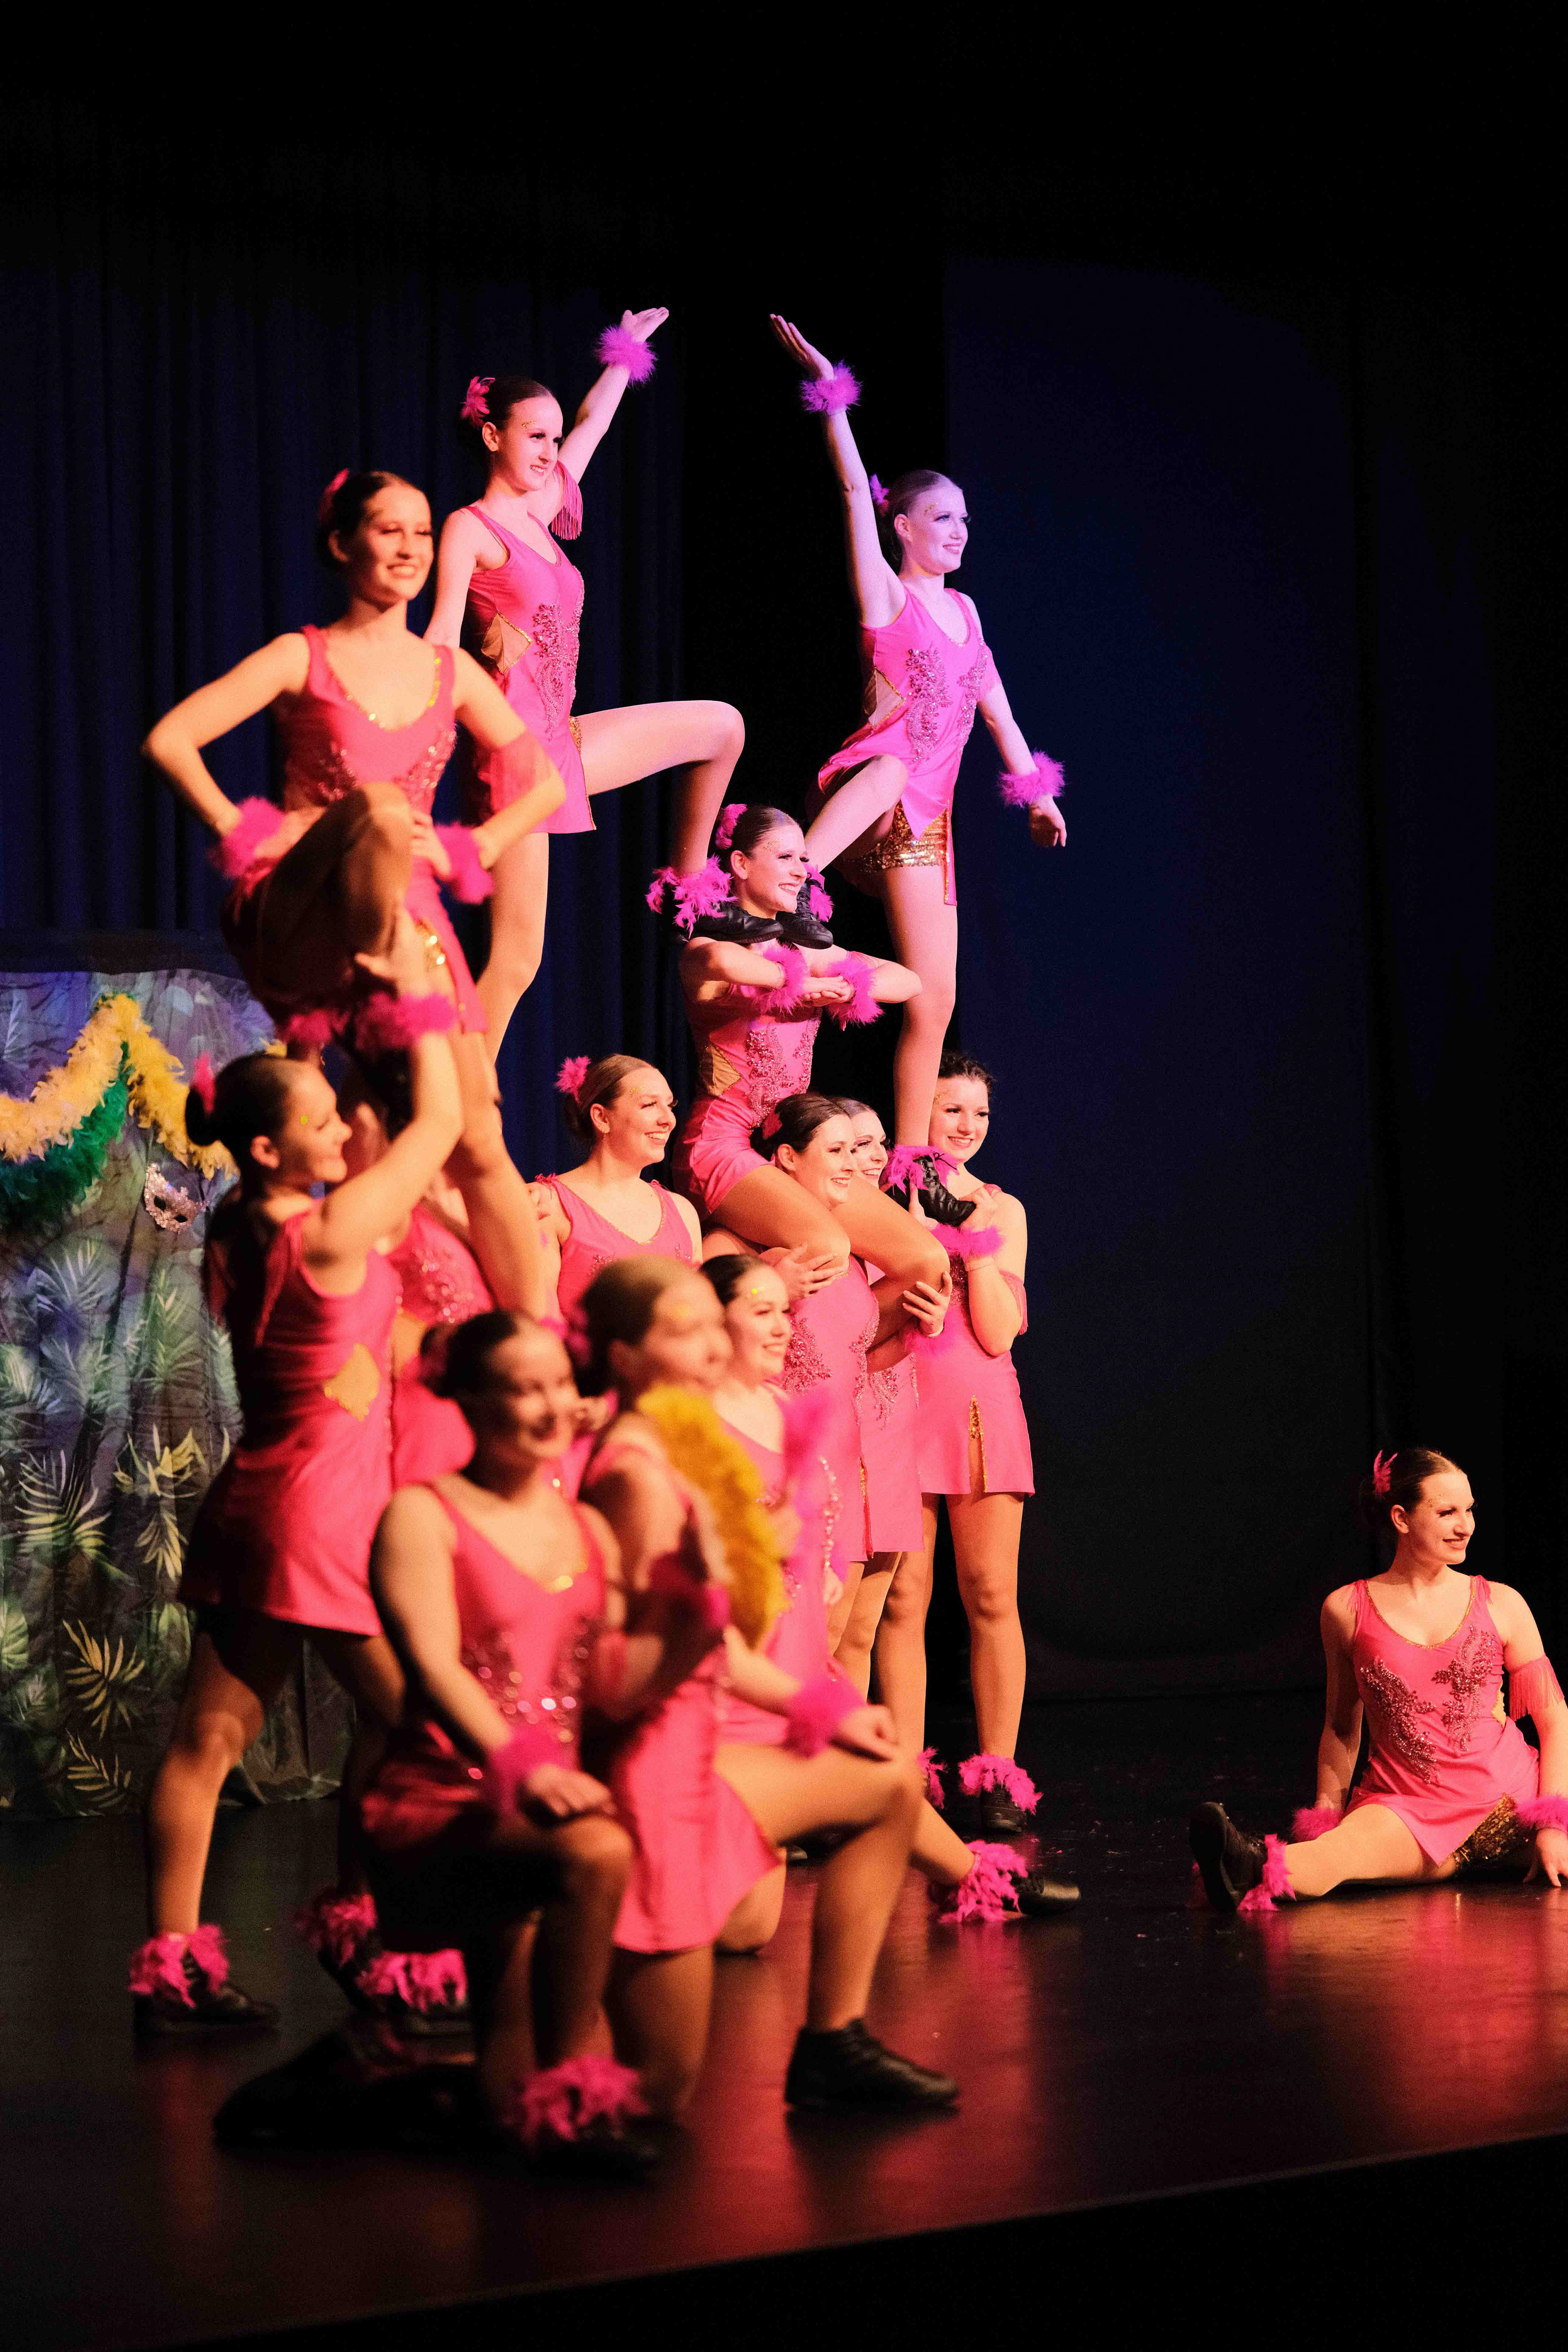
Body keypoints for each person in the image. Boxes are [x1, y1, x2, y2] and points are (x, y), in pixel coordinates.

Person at [129, 915, 466, 2035]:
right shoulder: (323, 1235)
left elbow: (356, 1356)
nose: (342, 1131)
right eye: (321, 1122)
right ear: (271, 1151)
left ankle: (173, 1967)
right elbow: (443, 1122)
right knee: (423, 1726)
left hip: (266, 1503)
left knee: (210, 1739)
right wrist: (423, 986)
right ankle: (381, 1935)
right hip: (319, 1519)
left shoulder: (245, 1224)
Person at [142, 468, 557, 1316]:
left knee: (480, 1137)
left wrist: (479, 843)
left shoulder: (450, 671)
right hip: (303, 906)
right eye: (388, 530)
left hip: (411, 914)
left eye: (423, 533)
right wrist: (244, 827)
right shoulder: (304, 655)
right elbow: (171, 739)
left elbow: (544, 781)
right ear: (342, 544)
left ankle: (541, 1335)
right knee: (378, 811)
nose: (411, 549)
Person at [578, 1256, 961, 2115]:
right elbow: (622, 1683)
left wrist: (821, 1707)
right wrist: (716, 1593)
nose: (715, 1346)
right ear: (626, 1356)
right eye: (687, 1329)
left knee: (887, 1781)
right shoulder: (636, 1475)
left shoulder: (690, 1449)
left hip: (704, 1759)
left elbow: (719, 1643)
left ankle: (834, 2041)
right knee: (660, 2090)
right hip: (651, 1776)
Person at [361, 1310, 719, 2171]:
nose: (554, 1405)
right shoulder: (421, 1514)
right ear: (468, 1398)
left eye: (561, 1383)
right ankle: (572, 2095)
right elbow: (432, 1665)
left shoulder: (586, 1526)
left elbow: (613, 1688)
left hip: (539, 1805)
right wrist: (523, 1767)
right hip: (442, 1802)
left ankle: (373, 2090)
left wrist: (697, 1614)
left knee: (498, 2090)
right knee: (598, 1852)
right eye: (526, 1389)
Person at [703, 1254, 1078, 1932]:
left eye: (785, 1312)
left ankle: (973, 1877)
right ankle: (970, 1873)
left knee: (883, 1788)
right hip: (729, 1708)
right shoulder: (686, 1431)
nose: (783, 1326)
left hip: (782, 1679)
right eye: (763, 1312)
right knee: (744, 1929)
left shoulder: (785, 1413)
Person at [770, 315, 1068, 1156]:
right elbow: (848, 494)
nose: (959, 531)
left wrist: (1035, 798)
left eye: (965, 520)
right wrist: (833, 401)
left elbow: (998, 711)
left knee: (936, 999)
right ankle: (791, 890)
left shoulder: (967, 611)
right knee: (895, 768)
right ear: (901, 525)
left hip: (925, 827)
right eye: (942, 517)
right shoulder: (887, 598)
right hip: (865, 792)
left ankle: (911, 1161)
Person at [426, 314, 745, 1046]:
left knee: (722, 726)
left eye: (553, 437)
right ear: (492, 436)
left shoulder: (541, 511)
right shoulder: (472, 527)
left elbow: (593, 424)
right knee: (517, 960)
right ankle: (463, 1101)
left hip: (560, 741)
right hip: (513, 756)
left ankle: (690, 899)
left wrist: (624, 354)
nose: (550, 451)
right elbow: (441, 639)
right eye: (534, 436)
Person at [1191, 1448, 1568, 1913]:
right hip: (1407, 1808)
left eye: (1469, 1510)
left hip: (1511, 1802)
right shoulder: (1346, 1610)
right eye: (1447, 1512)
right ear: (1401, 1518)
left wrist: (1554, 1824)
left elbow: (1555, 1720)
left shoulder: (1502, 1603)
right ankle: (1244, 1864)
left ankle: (1243, 1865)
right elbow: (1341, 1728)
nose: (1465, 1526)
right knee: (1338, 1856)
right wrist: (1327, 1817)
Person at [670, 803, 947, 1311]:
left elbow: (907, 981)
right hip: (722, 1144)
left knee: (926, 1264)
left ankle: (850, 1354)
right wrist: (797, 985)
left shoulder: (807, 952)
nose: (802, 871)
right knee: (827, 1247)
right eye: (785, 857)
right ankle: (734, 1313)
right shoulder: (708, 947)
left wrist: (848, 986)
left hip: (796, 1147)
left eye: (804, 859)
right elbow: (716, 959)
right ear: (740, 864)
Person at [875, 1054, 1040, 1837]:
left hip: (978, 1406)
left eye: (979, 1113)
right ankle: (905, 1775)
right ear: (920, 1112)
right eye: (951, 1109)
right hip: (898, 1399)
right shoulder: (879, 1196)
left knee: (991, 1595)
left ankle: (999, 1773)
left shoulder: (1002, 1208)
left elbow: (999, 1333)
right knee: (903, 1599)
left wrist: (974, 1242)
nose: (968, 1126)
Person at [830, 1101, 926, 1676]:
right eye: (852, 1146)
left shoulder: (901, 1234)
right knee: (825, 1629)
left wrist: (924, 1325)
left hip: (890, 1432)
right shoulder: (814, 1234)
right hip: (836, 1437)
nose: (872, 1157)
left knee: (862, 1630)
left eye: (877, 1144)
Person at [535, 1056, 700, 1335]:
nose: (668, 1120)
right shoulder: (548, 1206)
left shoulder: (682, 1212)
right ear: (602, 1117)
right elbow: (540, 1321)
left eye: (670, 1105)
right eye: (649, 1105)